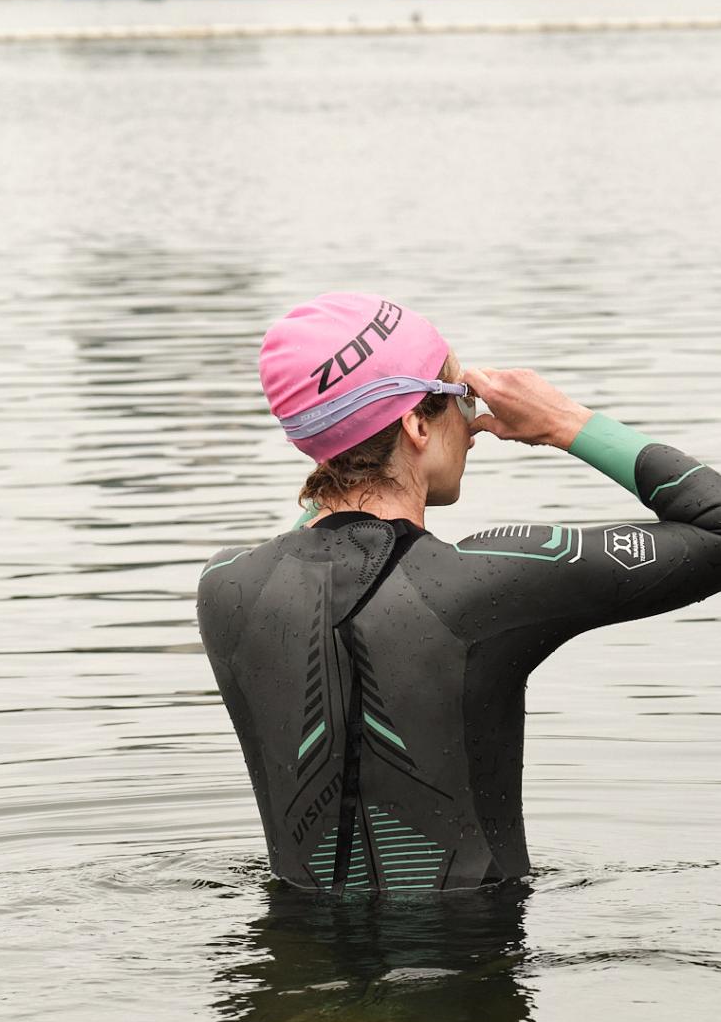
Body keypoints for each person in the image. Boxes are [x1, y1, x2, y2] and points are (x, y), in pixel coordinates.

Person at [197, 292, 721, 894]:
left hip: (294, 969)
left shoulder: (226, 587)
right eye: (459, 400)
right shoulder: (484, 584)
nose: (472, 425)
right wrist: (564, 422)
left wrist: (339, 434)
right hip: (465, 973)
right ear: (417, 425)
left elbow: (311, 538)